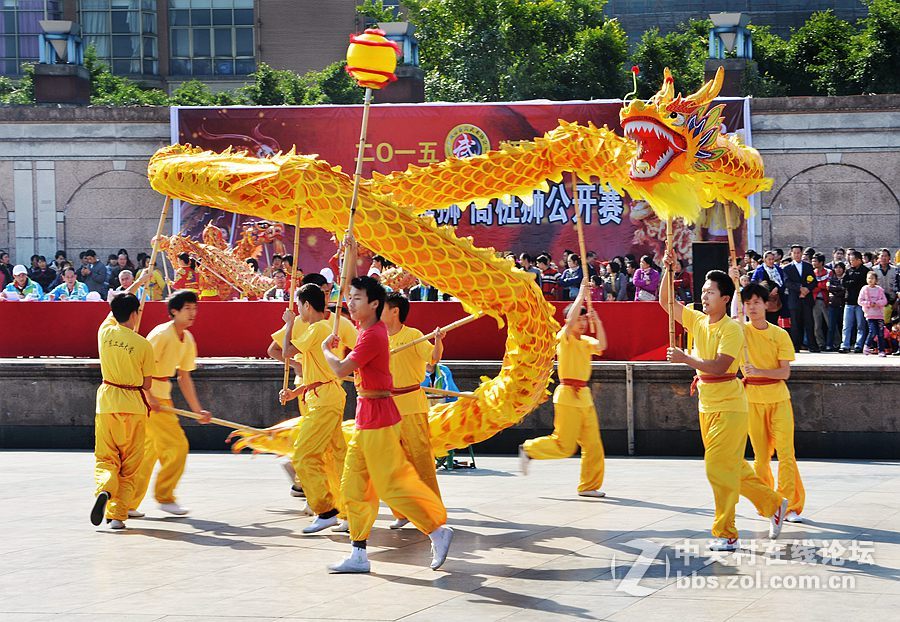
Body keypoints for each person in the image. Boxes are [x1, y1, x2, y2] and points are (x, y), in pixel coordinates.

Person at [321, 244, 451, 574]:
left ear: (375, 304)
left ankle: (436, 528)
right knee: (353, 485)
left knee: (391, 483)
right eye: (349, 298)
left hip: (379, 416)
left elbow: (339, 370)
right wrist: (348, 255)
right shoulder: (369, 330)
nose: (350, 303)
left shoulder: (373, 336)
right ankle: (359, 552)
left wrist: (326, 350)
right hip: (369, 414)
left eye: (357, 299)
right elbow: (347, 279)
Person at [659, 253, 787, 551]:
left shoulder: (732, 329)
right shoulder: (698, 319)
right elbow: (665, 302)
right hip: (707, 404)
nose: (704, 296)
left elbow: (719, 366)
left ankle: (726, 532)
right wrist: (668, 269)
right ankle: (773, 504)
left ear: (725, 297)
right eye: (703, 291)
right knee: (734, 468)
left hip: (730, 406)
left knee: (717, 468)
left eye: (710, 292)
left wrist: (685, 358)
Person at [279, 284, 358, 534]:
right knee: (336, 457)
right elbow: (317, 374)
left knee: (303, 454)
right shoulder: (320, 329)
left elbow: (285, 351)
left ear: (307, 306)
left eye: (298, 305)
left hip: (325, 401)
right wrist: (295, 392)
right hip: (323, 395)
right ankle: (348, 511)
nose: (297, 310)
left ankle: (325, 510)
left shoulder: (317, 328)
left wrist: (290, 323)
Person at [519, 280, 608, 497]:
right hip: (567, 396)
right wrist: (581, 294)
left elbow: (603, 346)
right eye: (580, 319)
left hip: (584, 397)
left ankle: (589, 486)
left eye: (584, 320)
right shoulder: (564, 338)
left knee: (594, 445)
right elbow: (568, 323)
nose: (583, 324)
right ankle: (528, 449)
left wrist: (598, 322)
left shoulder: (586, 341)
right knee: (565, 445)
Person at [130, 289, 211, 517]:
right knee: (177, 447)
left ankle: (126, 501)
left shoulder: (187, 339)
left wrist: (197, 411)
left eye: (195, 308)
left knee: (148, 453)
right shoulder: (161, 334)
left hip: (162, 396)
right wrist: (149, 397)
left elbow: (184, 376)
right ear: (174, 311)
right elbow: (138, 366)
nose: (192, 313)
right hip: (150, 397)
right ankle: (165, 495)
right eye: (187, 308)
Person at [734, 279, 805, 523]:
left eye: (756, 302)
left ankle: (790, 505)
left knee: (786, 453)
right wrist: (735, 279)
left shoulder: (780, 334)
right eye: (747, 303)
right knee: (761, 457)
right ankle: (768, 503)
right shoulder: (741, 331)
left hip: (778, 398)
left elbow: (784, 373)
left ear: (767, 304)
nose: (752, 307)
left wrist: (759, 371)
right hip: (752, 400)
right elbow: (731, 317)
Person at [91, 289, 156, 530]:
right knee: (130, 465)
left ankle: (105, 489)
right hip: (134, 406)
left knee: (106, 458)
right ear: (135, 314)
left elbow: (113, 309)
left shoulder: (104, 332)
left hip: (107, 403)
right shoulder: (143, 345)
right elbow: (147, 383)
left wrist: (139, 283)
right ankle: (117, 515)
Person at [383, 292, 446, 529]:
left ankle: (433, 514)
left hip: (411, 405)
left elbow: (433, 359)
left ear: (395, 311)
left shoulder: (414, 335)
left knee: (421, 462)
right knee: (391, 463)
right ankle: (402, 512)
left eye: (383, 308)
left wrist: (438, 340)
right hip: (387, 407)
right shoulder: (378, 336)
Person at [783, 244, 818, 352]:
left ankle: (812, 346)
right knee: (796, 324)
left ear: (802, 253)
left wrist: (807, 290)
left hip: (807, 299)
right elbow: (787, 282)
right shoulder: (787, 268)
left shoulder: (808, 266)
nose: (797, 255)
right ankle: (795, 347)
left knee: (809, 323)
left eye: (799, 252)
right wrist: (800, 288)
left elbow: (813, 281)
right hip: (794, 299)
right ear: (791, 254)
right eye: (795, 253)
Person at [840, 251, 870, 353]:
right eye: (850, 260)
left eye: (853, 260)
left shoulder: (865, 271)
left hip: (860, 303)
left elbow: (863, 284)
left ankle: (859, 345)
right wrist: (852, 282)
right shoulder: (848, 271)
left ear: (859, 260)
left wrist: (853, 283)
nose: (851, 262)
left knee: (860, 325)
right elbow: (843, 282)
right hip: (849, 301)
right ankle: (845, 345)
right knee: (847, 325)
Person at [751, 251, 785, 326]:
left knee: (774, 323)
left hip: (776, 300)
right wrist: (763, 288)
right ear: (764, 260)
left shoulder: (778, 269)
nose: (771, 261)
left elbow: (783, 282)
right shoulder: (760, 270)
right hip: (764, 299)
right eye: (769, 259)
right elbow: (753, 283)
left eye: (773, 259)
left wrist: (777, 289)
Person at [858, 271, 888, 356]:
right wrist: (868, 303)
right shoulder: (864, 289)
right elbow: (860, 301)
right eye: (868, 278)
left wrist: (877, 303)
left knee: (880, 333)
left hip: (879, 315)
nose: (870, 280)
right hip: (870, 315)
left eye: (872, 278)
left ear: (876, 280)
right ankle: (867, 345)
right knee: (872, 331)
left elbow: (884, 301)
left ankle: (881, 350)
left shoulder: (879, 289)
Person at [871, 249, 897, 324]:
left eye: (886, 256)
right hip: (878, 303)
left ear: (889, 257)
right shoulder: (873, 270)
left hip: (892, 302)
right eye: (882, 256)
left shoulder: (895, 270)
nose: (884, 258)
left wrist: (897, 301)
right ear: (878, 258)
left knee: (892, 325)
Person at [811, 253, 830, 351]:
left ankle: (835, 343)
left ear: (821, 262)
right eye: (813, 261)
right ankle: (820, 343)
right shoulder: (812, 273)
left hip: (826, 301)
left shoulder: (829, 272)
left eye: (815, 261)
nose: (813, 263)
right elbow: (812, 287)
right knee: (817, 325)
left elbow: (827, 286)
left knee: (830, 323)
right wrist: (820, 286)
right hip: (815, 301)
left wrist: (818, 286)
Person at [826, 262, 846, 351]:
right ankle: (829, 344)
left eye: (840, 267)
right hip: (832, 305)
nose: (838, 269)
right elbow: (829, 288)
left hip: (842, 304)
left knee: (842, 326)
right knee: (831, 326)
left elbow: (845, 289)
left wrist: (838, 290)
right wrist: (840, 289)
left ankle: (842, 344)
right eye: (836, 267)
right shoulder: (831, 278)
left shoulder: (846, 278)